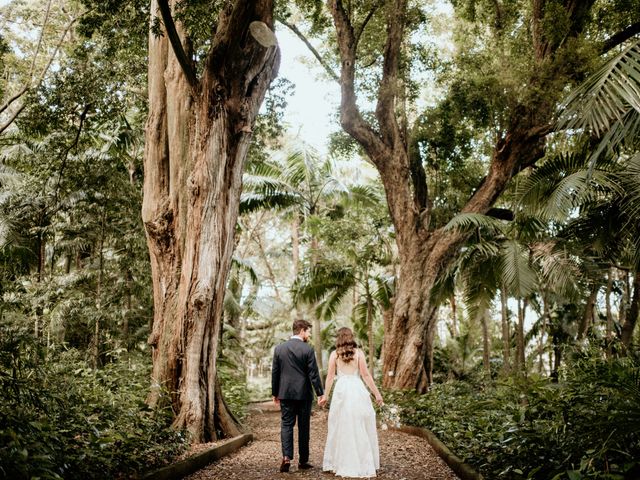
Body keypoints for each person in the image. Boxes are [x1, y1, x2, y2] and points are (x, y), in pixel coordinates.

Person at [320, 327, 383, 478]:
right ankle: (362, 462)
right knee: (360, 424)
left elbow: (329, 377)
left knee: (340, 425)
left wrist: (325, 396)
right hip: (357, 389)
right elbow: (366, 375)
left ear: (339, 338)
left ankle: (340, 462)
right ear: (351, 337)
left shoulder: (334, 355)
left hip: (341, 391)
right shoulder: (359, 353)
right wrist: (377, 394)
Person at [271, 319, 325, 473]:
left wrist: (275, 393)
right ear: (301, 330)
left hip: (286, 393)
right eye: (308, 331)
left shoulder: (279, 348)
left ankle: (286, 457)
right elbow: (313, 374)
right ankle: (303, 461)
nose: (308, 334)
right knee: (303, 427)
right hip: (304, 394)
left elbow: (275, 372)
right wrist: (320, 393)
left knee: (286, 424)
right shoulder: (308, 349)